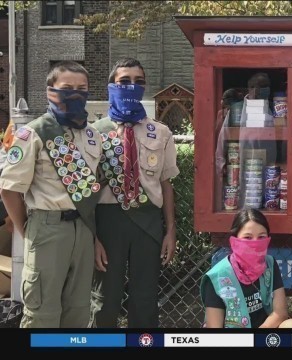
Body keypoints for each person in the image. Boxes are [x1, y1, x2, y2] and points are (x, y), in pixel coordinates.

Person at [0, 61, 103, 327]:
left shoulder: (92, 135)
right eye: (67, 88)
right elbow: (10, 189)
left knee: (78, 311)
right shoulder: (32, 133)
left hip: (83, 228)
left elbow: (91, 189)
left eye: (82, 88)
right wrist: (28, 228)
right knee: (41, 314)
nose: (75, 93)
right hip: (46, 227)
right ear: (51, 91)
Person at [90, 58, 180, 328]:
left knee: (145, 298)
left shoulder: (160, 132)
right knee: (104, 298)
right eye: (124, 82)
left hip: (148, 221)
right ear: (111, 86)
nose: (132, 87)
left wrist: (171, 231)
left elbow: (166, 183)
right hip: (107, 223)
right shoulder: (94, 133)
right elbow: (85, 193)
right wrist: (93, 237)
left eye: (139, 82)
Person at [200, 208, 292, 328]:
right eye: (248, 238)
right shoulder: (217, 277)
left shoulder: (269, 264)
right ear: (234, 240)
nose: (255, 244)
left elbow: (280, 313)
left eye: (261, 237)